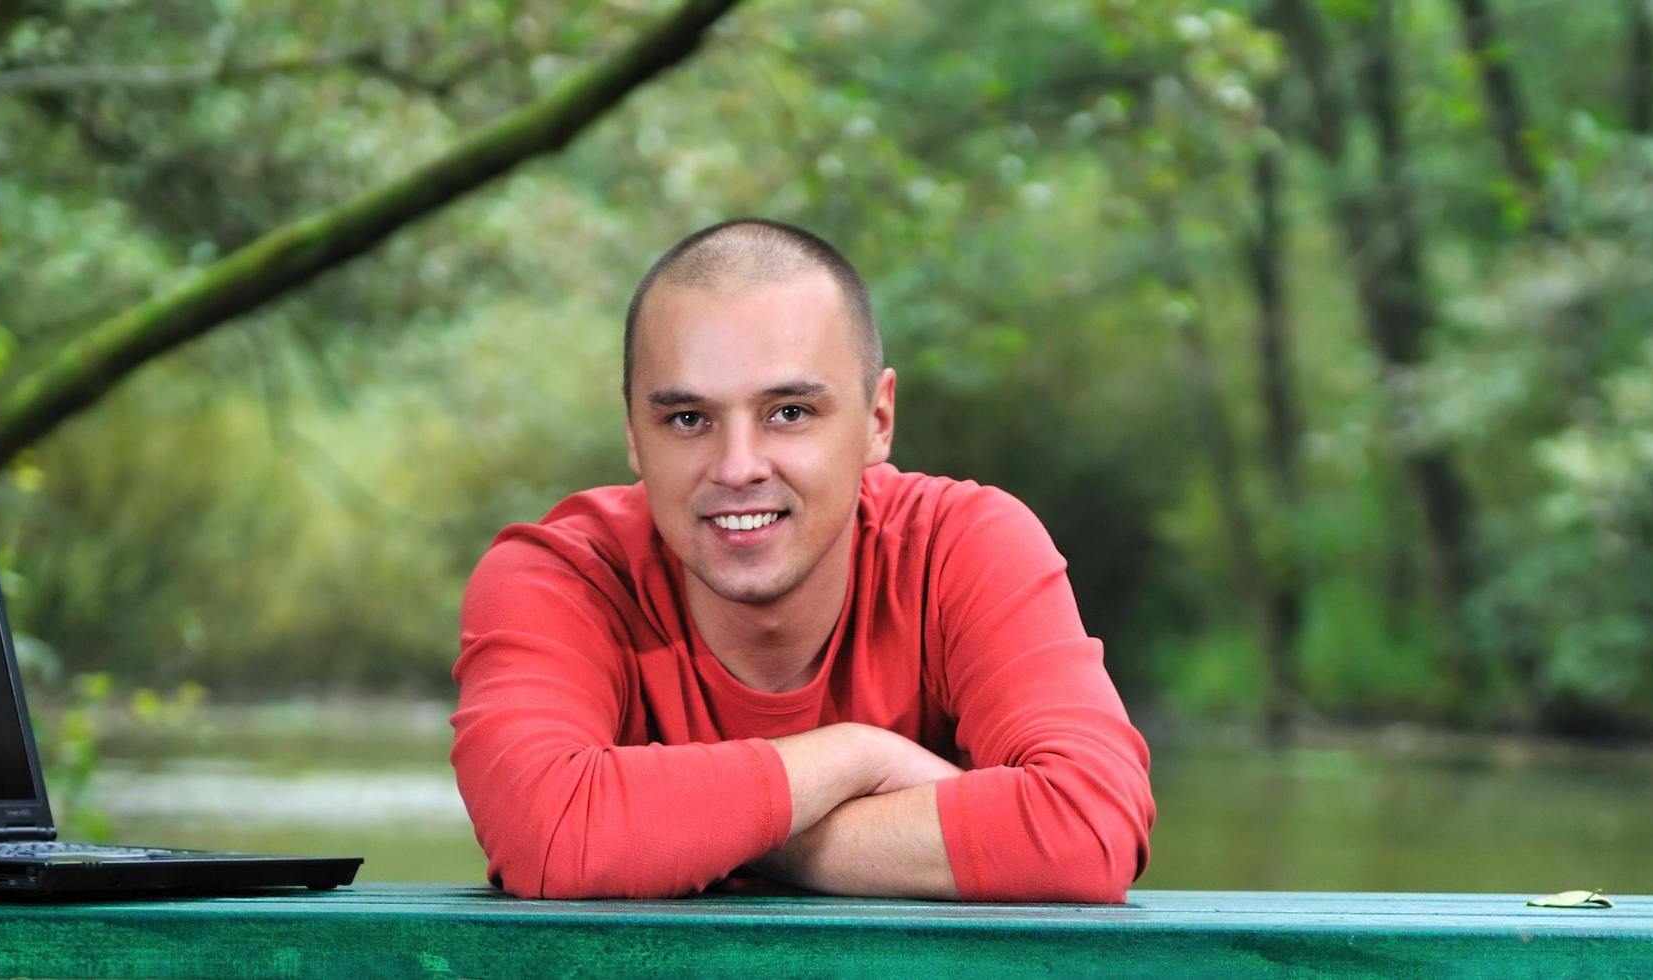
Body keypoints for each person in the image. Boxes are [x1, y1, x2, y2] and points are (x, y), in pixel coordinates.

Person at [448, 218, 1155, 902]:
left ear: (877, 420)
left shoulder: (962, 546)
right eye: (688, 419)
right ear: (634, 434)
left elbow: (1087, 830)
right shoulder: (559, 575)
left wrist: (668, 834)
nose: (737, 467)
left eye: (788, 411)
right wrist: (856, 757)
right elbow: (546, 829)